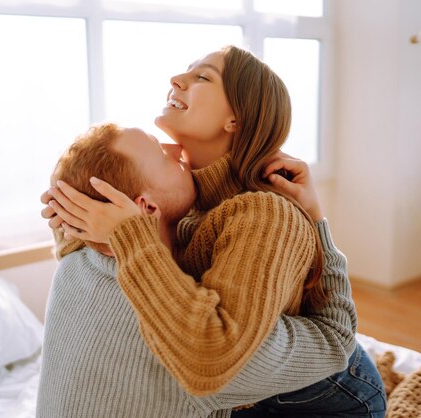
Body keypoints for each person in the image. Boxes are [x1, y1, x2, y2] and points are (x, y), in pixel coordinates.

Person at [42, 45, 386, 416]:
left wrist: (314, 218)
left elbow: (327, 342)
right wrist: (69, 213)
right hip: (247, 385)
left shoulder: (262, 215)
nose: (176, 79)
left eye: (202, 76)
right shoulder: (179, 200)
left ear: (235, 120)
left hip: (332, 394)